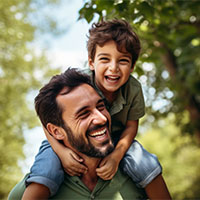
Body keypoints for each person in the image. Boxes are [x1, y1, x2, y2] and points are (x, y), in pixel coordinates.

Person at [13, 19, 172, 199]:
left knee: (146, 165)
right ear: (91, 62)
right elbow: (47, 119)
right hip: (62, 141)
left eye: (123, 61)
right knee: (46, 171)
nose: (113, 68)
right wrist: (62, 152)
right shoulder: (80, 84)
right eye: (105, 59)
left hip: (117, 140)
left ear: (133, 66)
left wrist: (116, 156)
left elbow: (131, 127)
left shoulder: (133, 89)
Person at [8, 68, 147, 199]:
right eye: (83, 114)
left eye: (101, 106)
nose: (102, 118)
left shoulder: (139, 178)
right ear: (56, 132)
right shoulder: (30, 191)